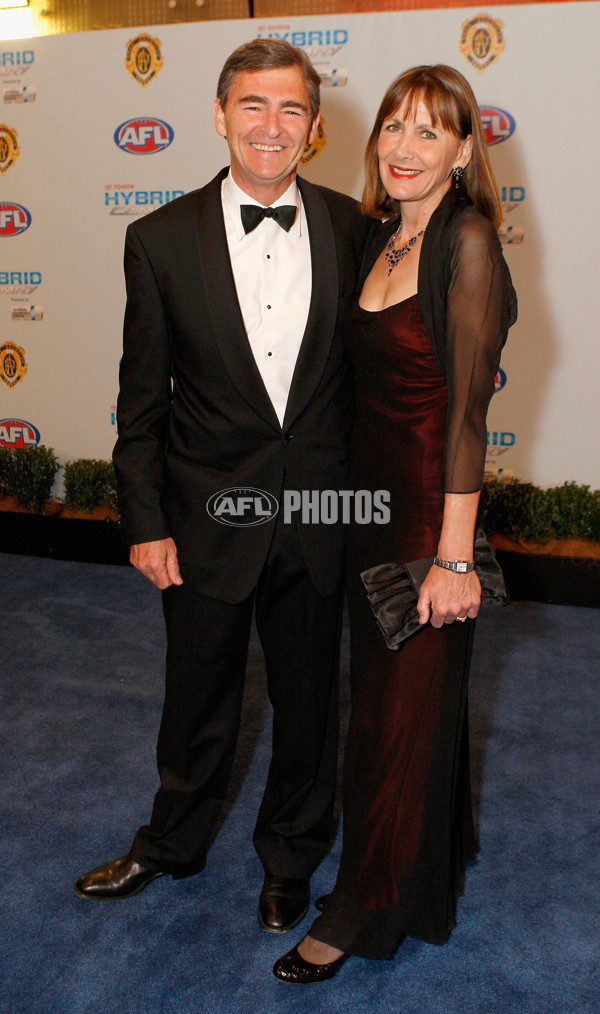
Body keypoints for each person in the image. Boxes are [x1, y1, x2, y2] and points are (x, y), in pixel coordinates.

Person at [74, 39, 367, 935]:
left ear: (314, 128)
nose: (270, 126)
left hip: (319, 515)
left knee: (309, 703)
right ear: (219, 114)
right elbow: (140, 403)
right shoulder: (157, 240)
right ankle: (172, 844)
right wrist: (144, 522)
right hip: (204, 520)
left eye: (289, 110)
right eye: (252, 106)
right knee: (196, 699)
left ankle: (290, 861)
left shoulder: (359, 231)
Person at [274, 64, 517, 982]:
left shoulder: (468, 243)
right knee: (384, 708)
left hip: (428, 521)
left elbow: (464, 414)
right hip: (370, 513)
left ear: (462, 150)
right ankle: (426, 871)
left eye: (429, 132)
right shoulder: (380, 238)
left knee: (396, 718)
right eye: (393, 127)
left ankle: (363, 910)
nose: (404, 147)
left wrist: (455, 559)